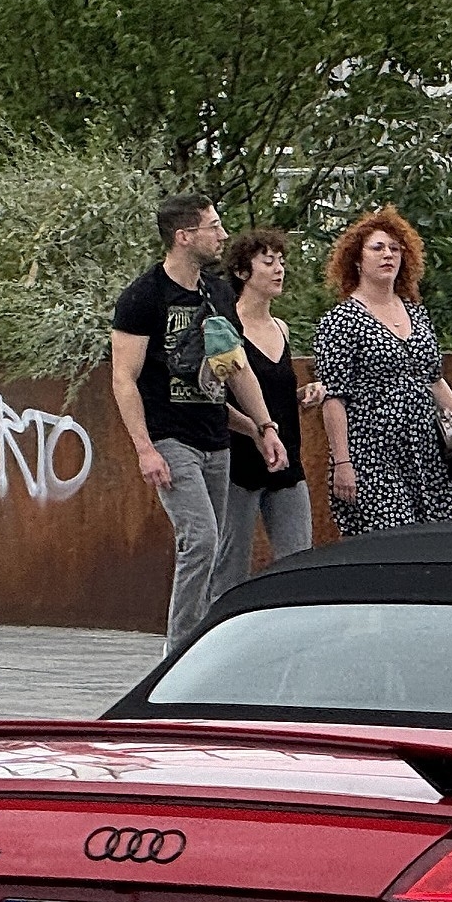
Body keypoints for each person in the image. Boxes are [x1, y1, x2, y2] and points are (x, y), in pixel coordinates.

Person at [112, 195, 289, 654]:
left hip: (216, 434)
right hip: (170, 437)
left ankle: (208, 647)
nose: (222, 235)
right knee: (201, 539)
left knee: (219, 548)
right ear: (184, 236)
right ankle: (179, 653)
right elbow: (123, 379)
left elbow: (237, 367)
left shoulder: (219, 293)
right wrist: (144, 448)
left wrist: (263, 426)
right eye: (213, 226)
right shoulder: (143, 296)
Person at [312, 206, 452, 538]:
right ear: (357, 259)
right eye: (377, 248)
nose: (388, 255)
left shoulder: (416, 313)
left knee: (438, 542)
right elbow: (334, 397)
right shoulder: (341, 320)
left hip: (427, 451)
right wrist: (342, 463)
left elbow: (435, 380)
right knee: (389, 542)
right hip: (371, 453)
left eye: (395, 248)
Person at [218, 226, 320, 585]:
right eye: (268, 262)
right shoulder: (224, 328)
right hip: (239, 462)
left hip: (287, 460)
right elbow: (218, 400)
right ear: (243, 272)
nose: (279, 269)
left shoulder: (282, 328)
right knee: (229, 564)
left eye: (281, 261)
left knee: (299, 561)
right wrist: (258, 430)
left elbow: (272, 393)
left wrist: (302, 397)